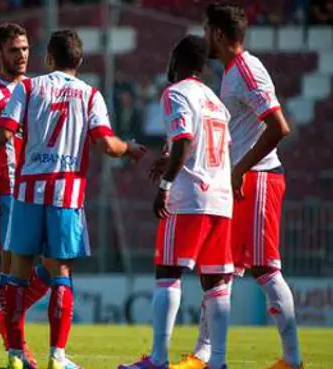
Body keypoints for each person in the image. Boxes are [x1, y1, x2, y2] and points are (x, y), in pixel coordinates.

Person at [0, 29, 146, 369]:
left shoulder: (29, 88)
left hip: (27, 190)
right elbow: (105, 143)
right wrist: (129, 148)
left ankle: (15, 352)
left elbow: (3, 134)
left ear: (47, 58)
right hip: (64, 194)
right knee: (60, 274)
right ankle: (56, 356)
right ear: (80, 60)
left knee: (17, 273)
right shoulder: (90, 94)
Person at [171, 3, 303, 369]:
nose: (203, 37)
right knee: (218, 269)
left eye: (205, 29)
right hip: (238, 180)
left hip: (258, 177)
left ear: (216, 32)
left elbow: (279, 126)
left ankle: (293, 360)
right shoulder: (231, 73)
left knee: (265, 267)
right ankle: (202, 355)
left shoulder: (247, 68)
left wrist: (241, 169)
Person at [119, 35, 233, 369]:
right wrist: (168, 155)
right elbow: (203, 145)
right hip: (220, 198)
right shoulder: (215, 101)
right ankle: (219, 362)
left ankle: (158, 359)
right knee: (215, 283)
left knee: (168, 273)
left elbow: (185, 140)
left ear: (177, 60)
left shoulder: (175, 93)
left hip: (189, 197)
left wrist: (166, 184)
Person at [0, 23, 56, 369]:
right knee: (12, 273)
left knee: (54, 268)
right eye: (13, 50)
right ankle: (17, 348)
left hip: (40, 191)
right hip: (9, 195)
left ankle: (3, 317)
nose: (22, 56)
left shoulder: (37, 90)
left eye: (25, 49)